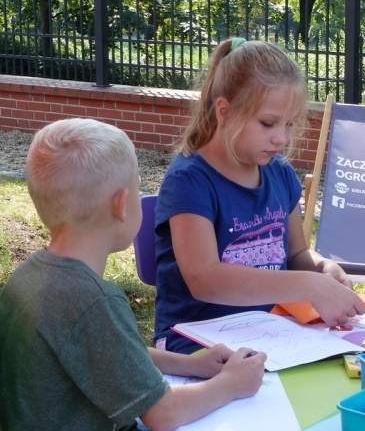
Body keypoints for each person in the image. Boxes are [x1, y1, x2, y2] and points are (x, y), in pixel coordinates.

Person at [0, 118, 267, 431]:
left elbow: (112, 354)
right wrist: (231, 384)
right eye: (139, 188)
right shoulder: (93, 301)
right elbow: (164, 415)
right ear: (121, 205)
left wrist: (191, 364)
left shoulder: (28, 275)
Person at [153, 38, 365, 354]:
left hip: (270, 334)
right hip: (194, 344)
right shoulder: (189, 181)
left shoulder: (279, 173)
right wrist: (307, 286)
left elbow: (295, 255)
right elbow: (205, 279)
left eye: (289, 124)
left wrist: (322, 270)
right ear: (224, 112)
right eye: (268, 123)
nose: (281, 138)